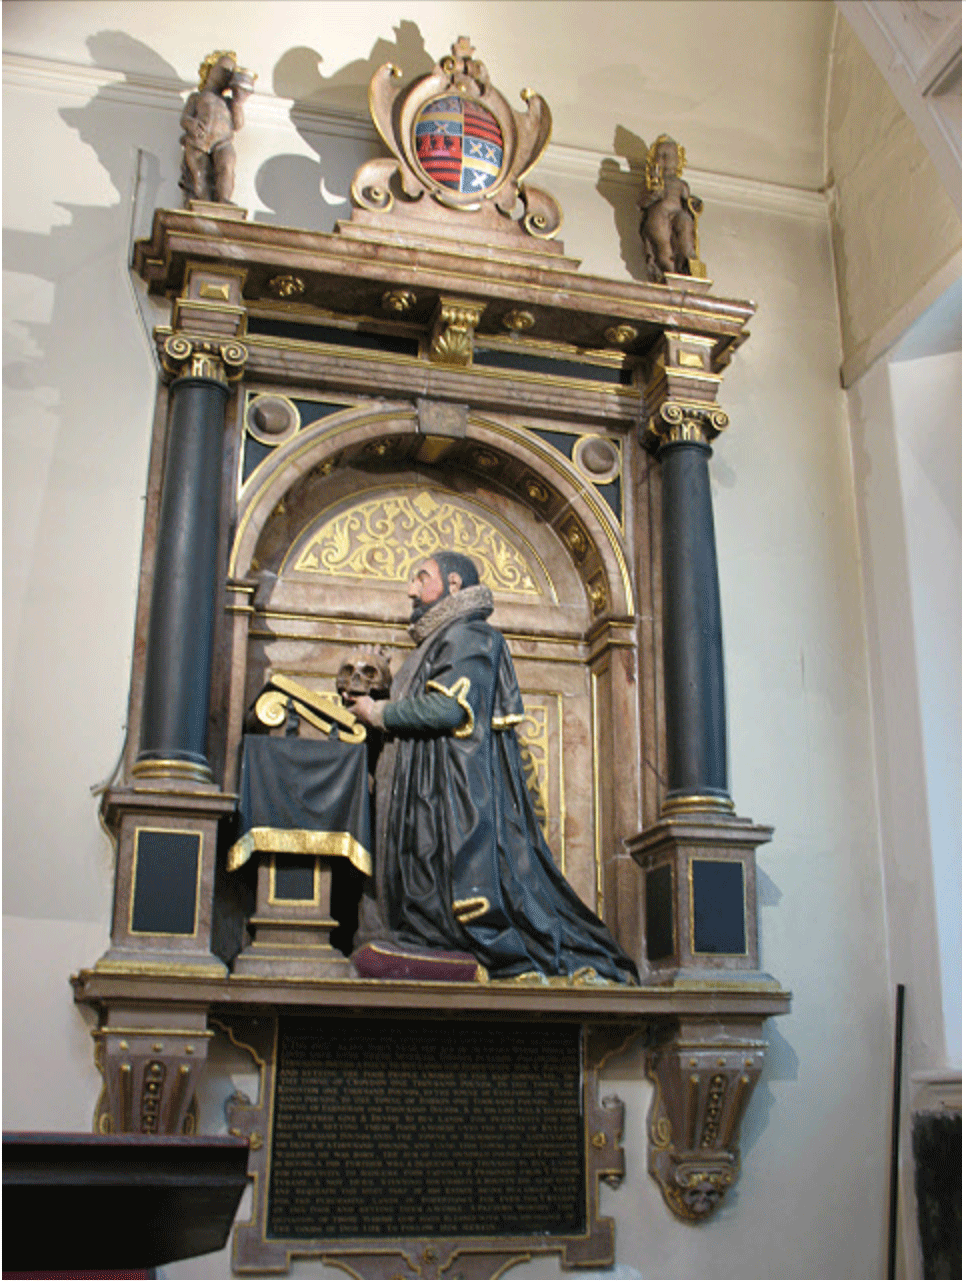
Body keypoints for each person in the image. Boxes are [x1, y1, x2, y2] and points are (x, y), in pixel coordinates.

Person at [349, 551, 638, 983]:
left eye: (420, 577)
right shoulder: (441, 639)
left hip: (455, 797)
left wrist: (380, 713)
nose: (410, 589)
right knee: (424, 897)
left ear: (453, 584)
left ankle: (525, 961)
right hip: (432, 793)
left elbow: (450, 708)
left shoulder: (468, 634)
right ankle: (440, 949)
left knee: (467, 895)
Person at [179, 51, 253, 205]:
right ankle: (203, 201)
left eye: (229, 74)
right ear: (210, 69)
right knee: (200, 173)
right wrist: (191, 124)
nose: (225, 76)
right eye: (222, 70)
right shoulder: (197, 98)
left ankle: (223, 199)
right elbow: (185, 118)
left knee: (226, 166)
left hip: (223, 142)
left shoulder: (228, 102)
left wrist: (238, 103)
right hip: (200, 140)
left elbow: (238, 124)